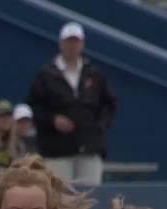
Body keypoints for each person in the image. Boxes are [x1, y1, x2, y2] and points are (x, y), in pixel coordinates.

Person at [25, 22, 116, 187]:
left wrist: (99, 126)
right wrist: (53, 120)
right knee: (60, 196)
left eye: (76, 42)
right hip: (57, 150)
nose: (72, 46)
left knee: (90, 197)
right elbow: (34, 106)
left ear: (82, 44)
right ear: (61, 43)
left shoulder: (94, 74)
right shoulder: (46, 75)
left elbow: (109, 104)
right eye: (68, 42)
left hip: (89, 148)